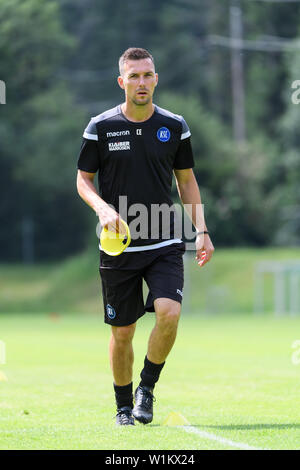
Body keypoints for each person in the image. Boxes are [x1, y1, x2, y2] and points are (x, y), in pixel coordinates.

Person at [77, 47, 214, 426]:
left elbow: (186, 180)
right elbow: (83, 181)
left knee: (169, 312)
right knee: (123, 332)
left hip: (164, 238)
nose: (141, 82)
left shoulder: (174, 126)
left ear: (156, 79)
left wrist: (201, 230)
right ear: (122, 82)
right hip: (118, 246)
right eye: (133, 76)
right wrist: (103, 209)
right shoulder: (100, 127)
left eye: (147, 75)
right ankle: (123, 407)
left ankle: (146, 390)